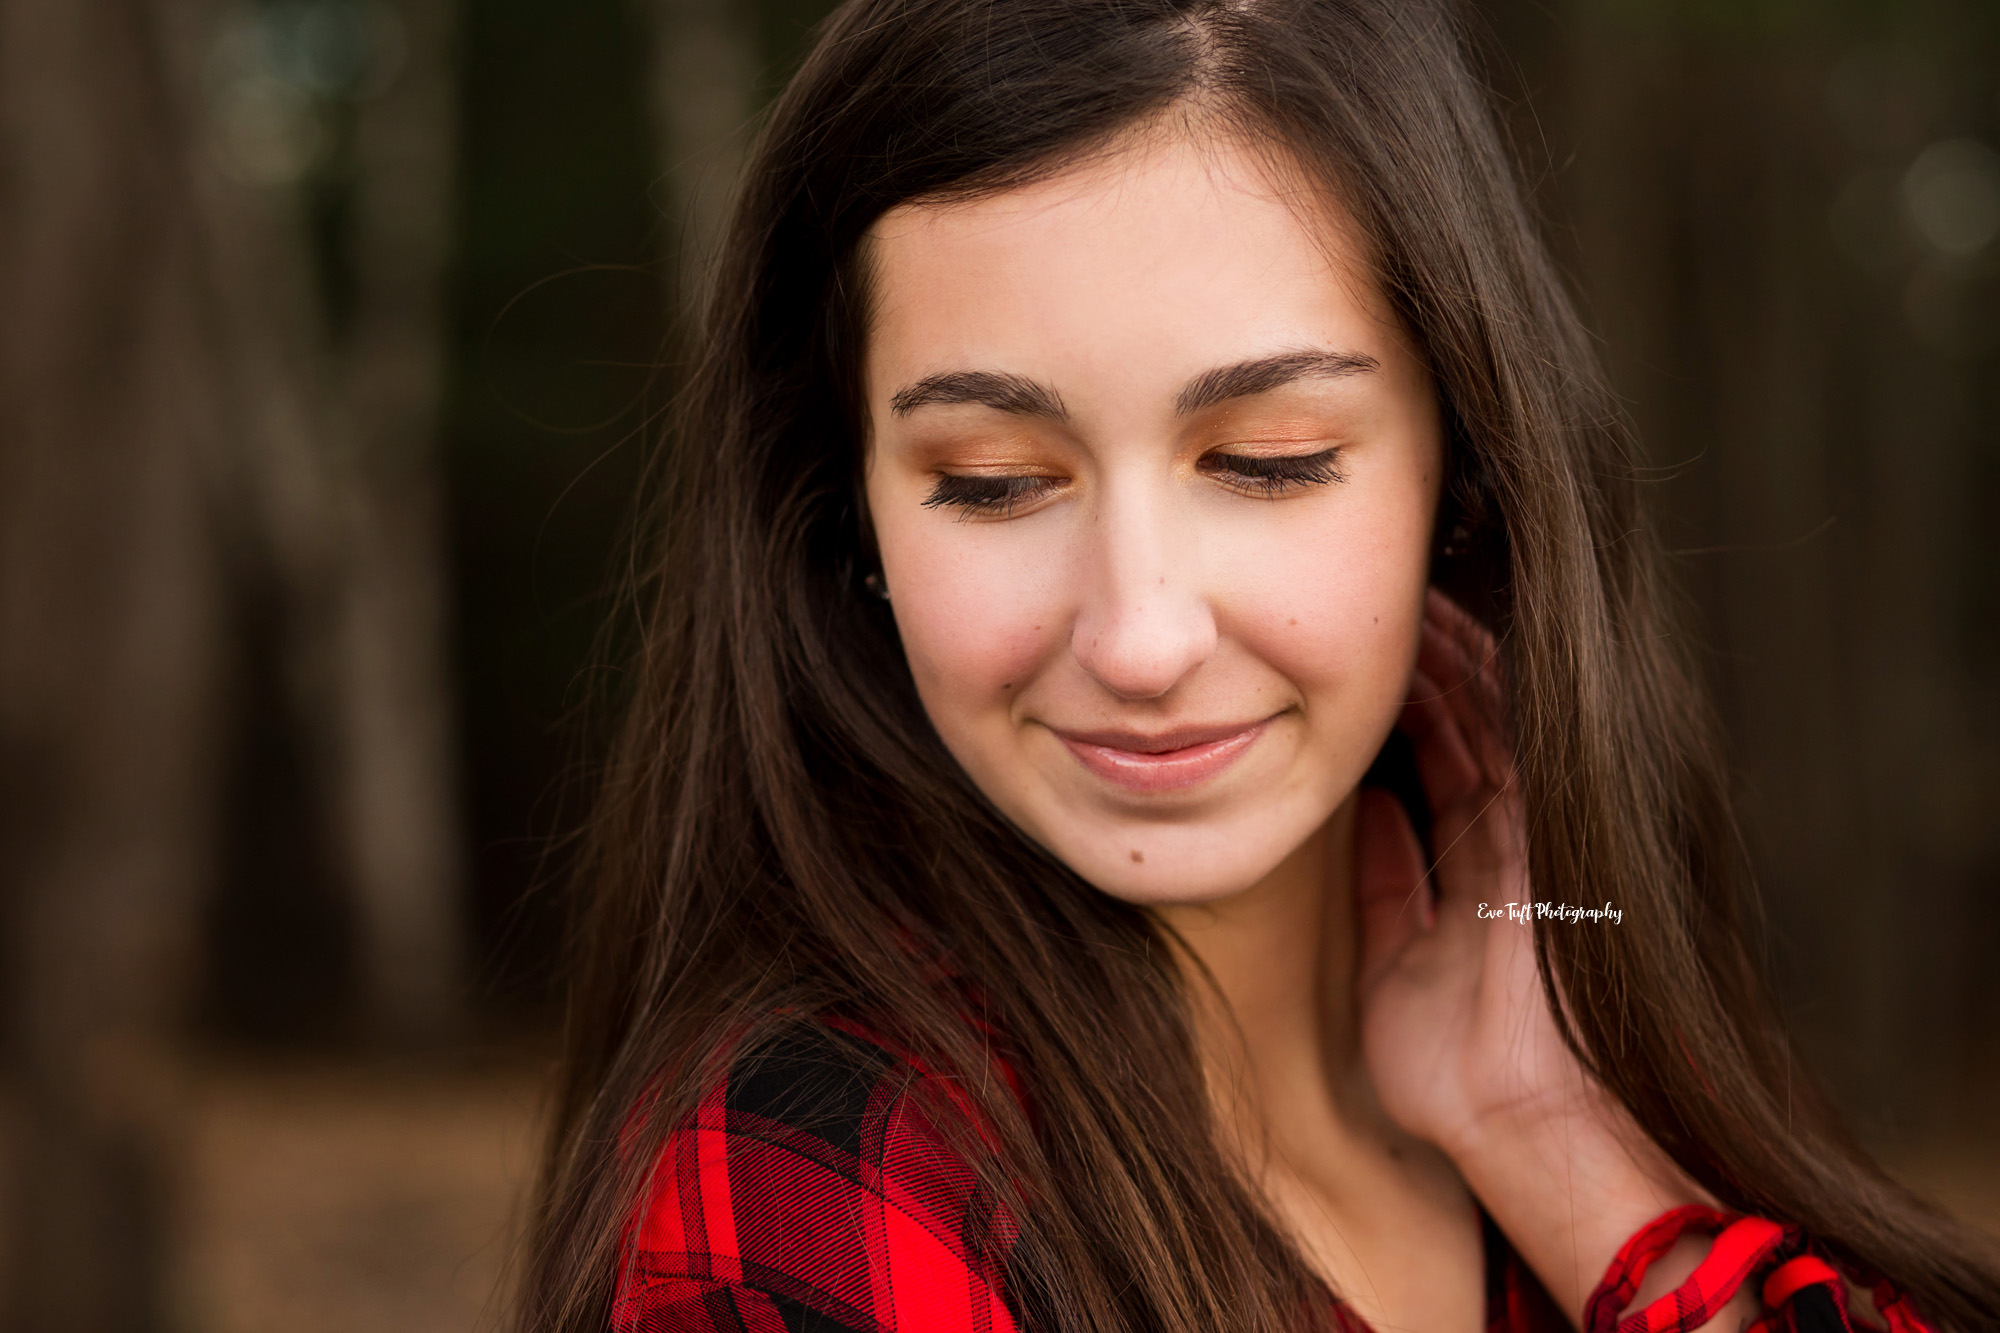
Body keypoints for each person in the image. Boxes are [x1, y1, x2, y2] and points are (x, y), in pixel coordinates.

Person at [515, 2, 2000, 1330]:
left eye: (1272, 462)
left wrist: (1557, 1150)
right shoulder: (818, 1203)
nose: (1141, 638)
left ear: (1466, 474)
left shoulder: (1573, 1084)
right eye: (989, 480)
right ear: (849, 516)